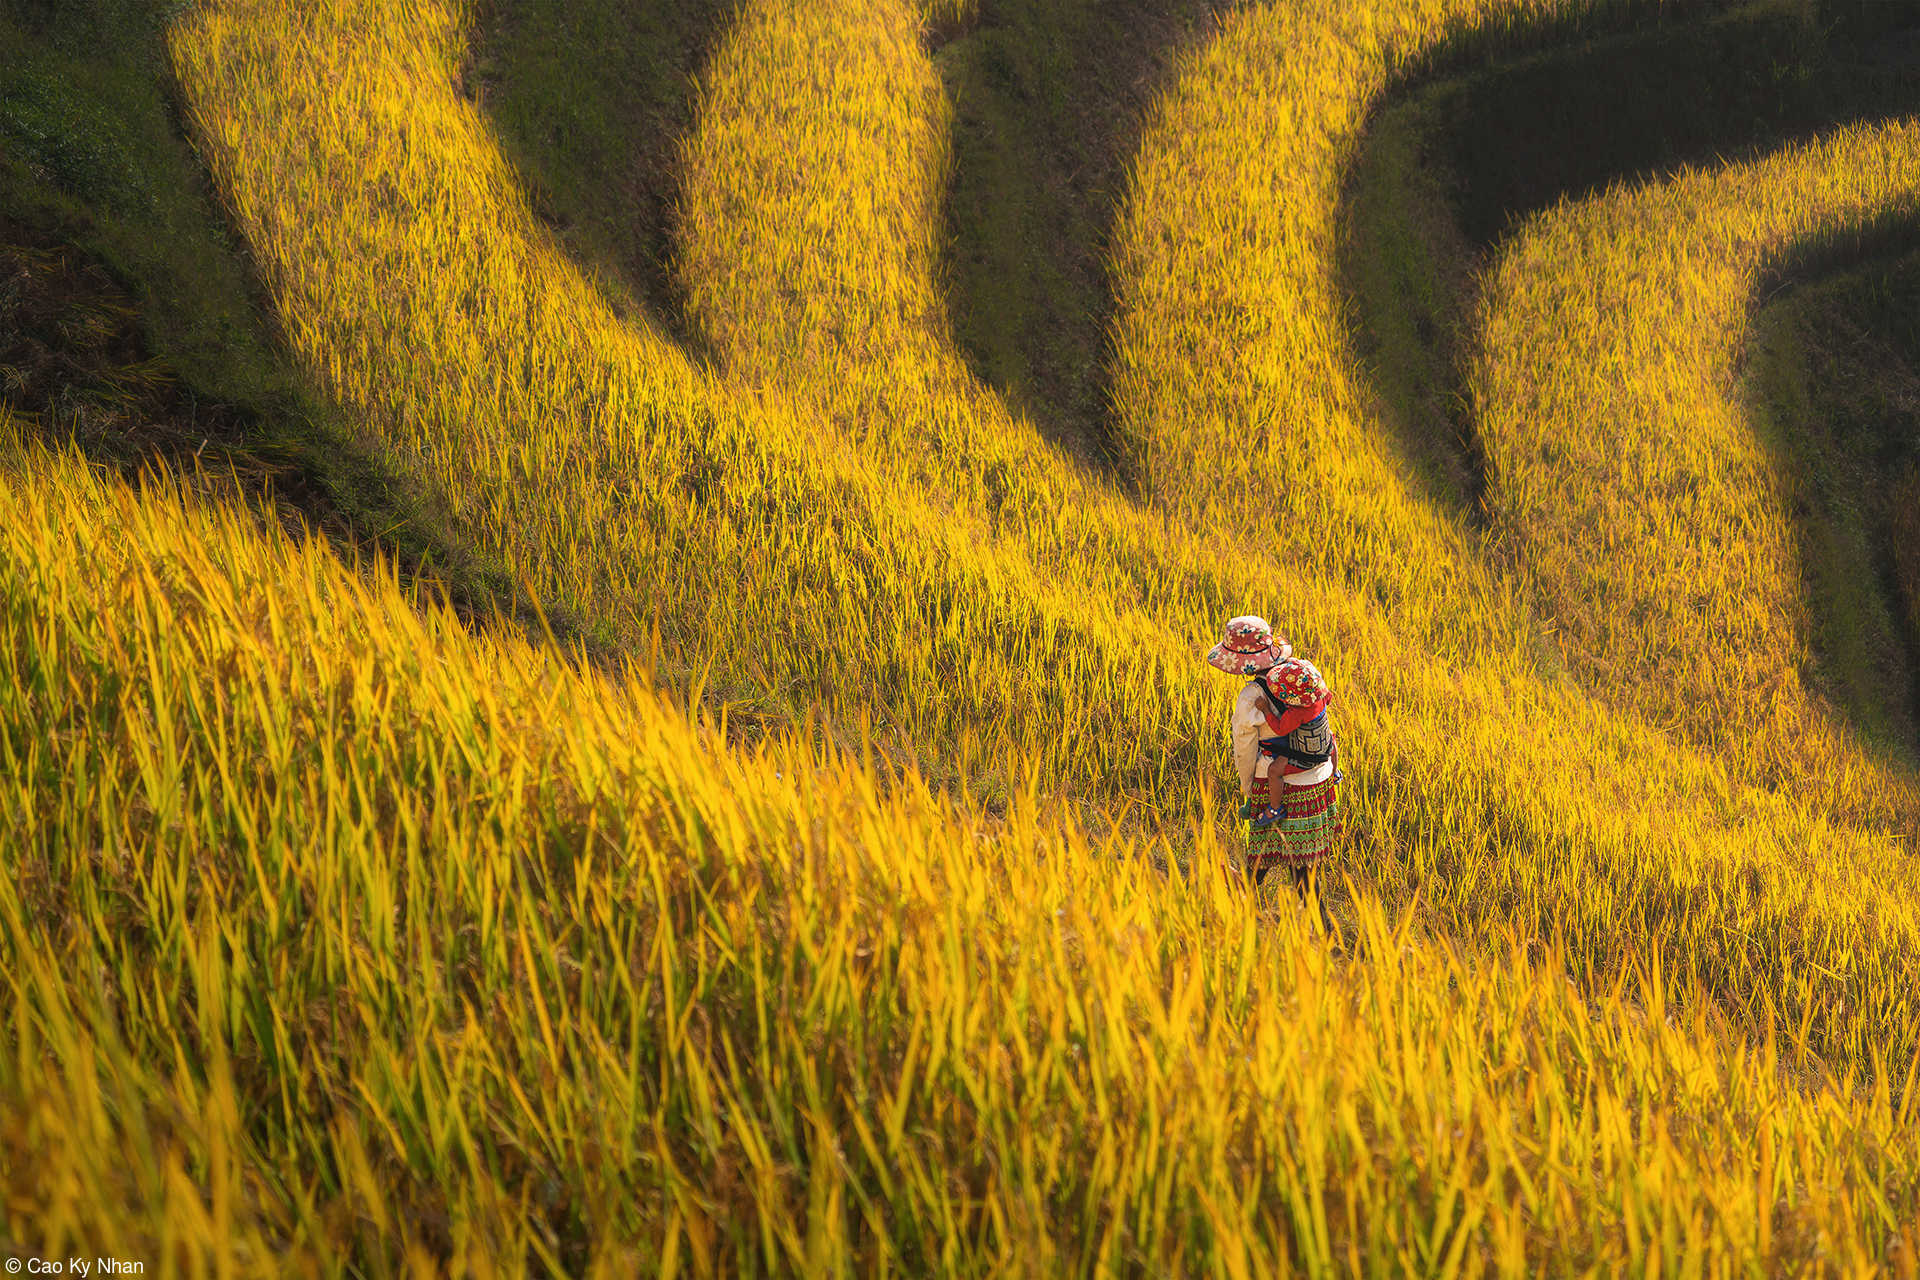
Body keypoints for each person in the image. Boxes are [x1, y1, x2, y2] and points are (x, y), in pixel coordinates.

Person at [1205, 615, 1343, 908]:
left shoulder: (1252, 696)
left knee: (1291, 856)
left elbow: (1244, 749)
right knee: (1282, 845)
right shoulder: (1304, 672)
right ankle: (1246, 884)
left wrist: (1248, 788)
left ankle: (1320, 926)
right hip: (1318, 775)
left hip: (1282, 780)